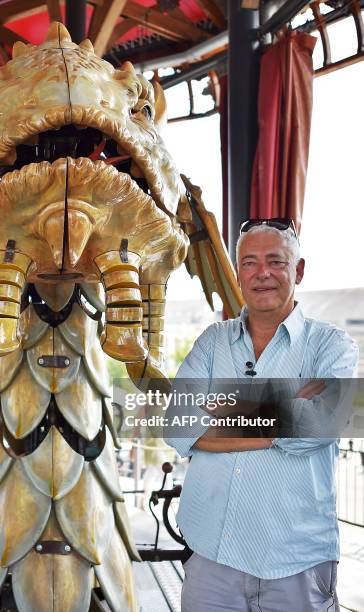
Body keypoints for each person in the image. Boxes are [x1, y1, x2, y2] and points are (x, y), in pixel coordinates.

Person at [164, 219, 358, 612]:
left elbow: (319, 425)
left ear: (298, 270)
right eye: (249, 263)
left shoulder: (332, 345)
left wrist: (220, 412)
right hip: (210, 559)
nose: (262, 273)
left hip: (296, 562)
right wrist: (284, 413)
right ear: (238, 273)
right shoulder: (212, 341)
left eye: (276, 261)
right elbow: (176, 422)